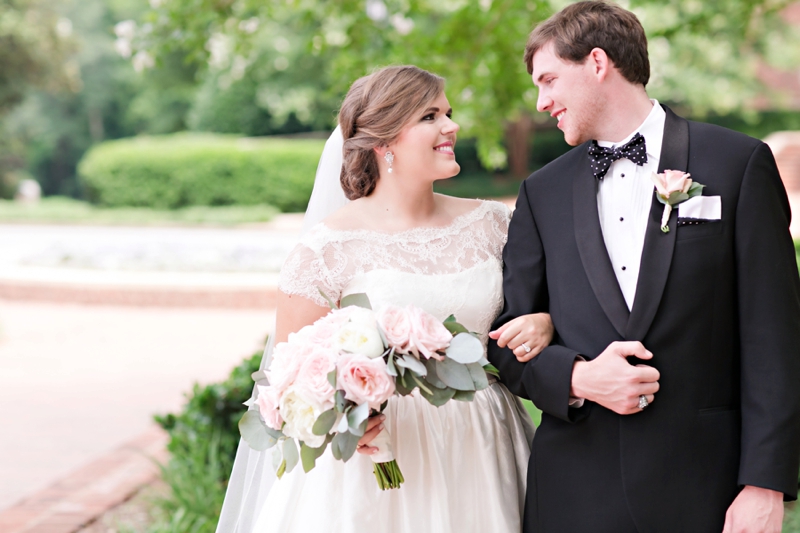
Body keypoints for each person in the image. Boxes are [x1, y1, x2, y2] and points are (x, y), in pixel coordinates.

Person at [487, 2, 800, 532]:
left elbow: (776, 336)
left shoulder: (737, 163)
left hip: (708, 489)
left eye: (548, 80)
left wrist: (765, 483)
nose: (541, 102)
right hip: (575, 492)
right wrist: (580, 378)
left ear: (597, 62)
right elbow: (511, 347)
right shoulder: (541, 194)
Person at [217, 65, 553, 533]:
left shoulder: (495, 225)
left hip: (484, 443)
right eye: (431, 116)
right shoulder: (325, 251)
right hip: (378, 461)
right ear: (384, 142)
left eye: (449, 113)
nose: (452, 126)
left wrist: (545, 323)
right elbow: (287, 385)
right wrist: (338, 424)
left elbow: (539, 308)